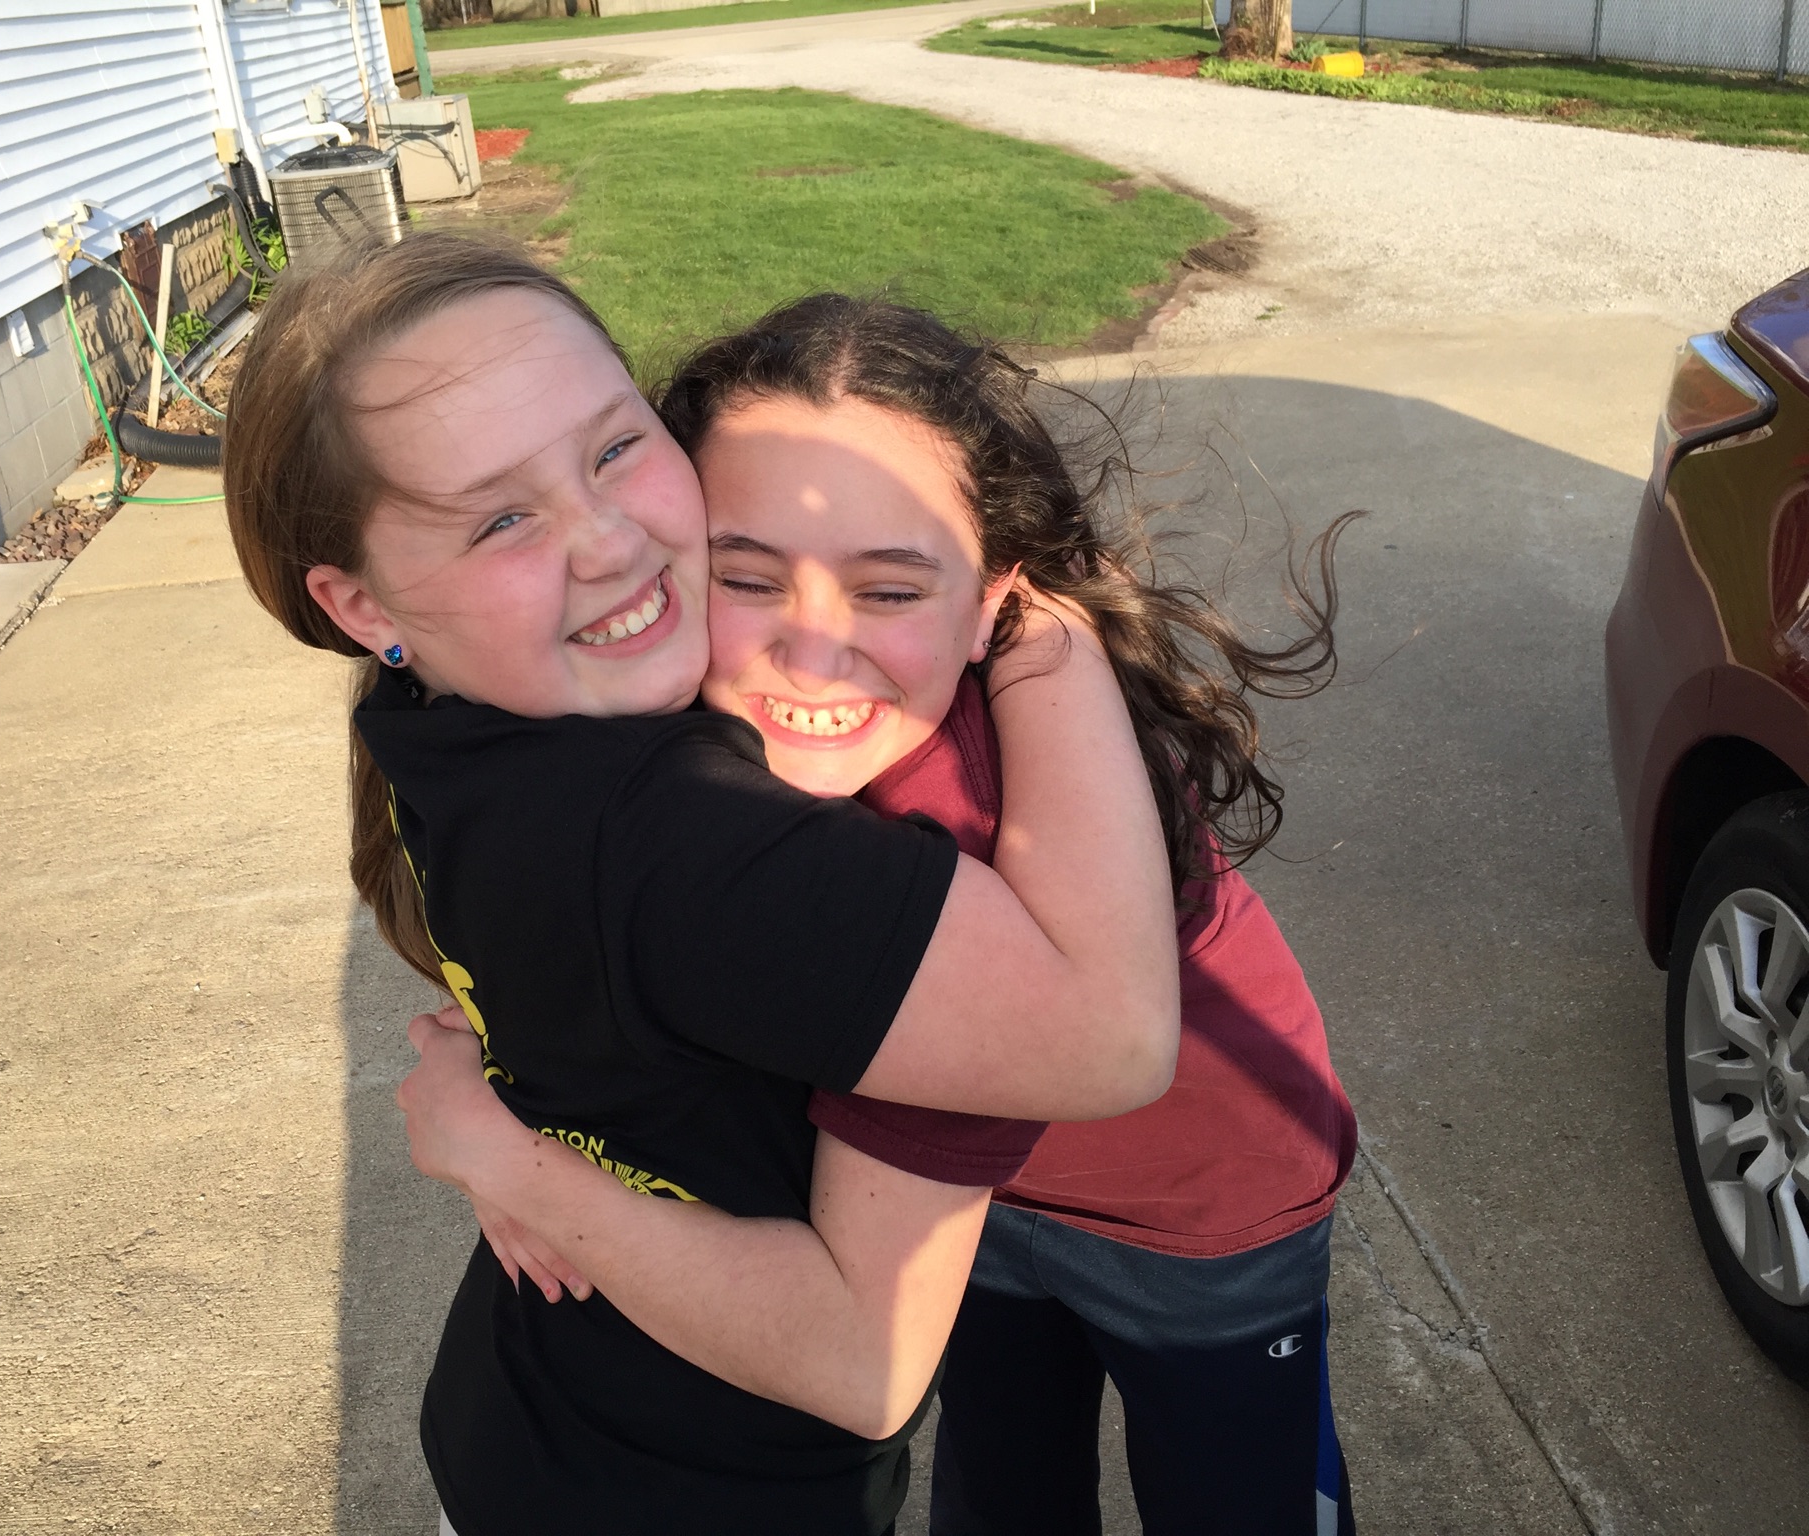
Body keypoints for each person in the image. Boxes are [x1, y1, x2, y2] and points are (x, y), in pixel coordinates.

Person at [221, 234, 1181, 1536]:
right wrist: (1040, 618)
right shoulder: (681, 841)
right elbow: (1112, 1037)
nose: (609, 541)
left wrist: (510, 1150)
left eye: (614, 447)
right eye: (499, 518)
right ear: (363, 605)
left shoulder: (444, 716)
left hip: (520, 1424)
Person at [407, 294, 1361, 1534]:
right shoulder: (675, 732)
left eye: (891, 591)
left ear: (988, 605)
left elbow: (861, 1357)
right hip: (966, 1209)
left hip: (1198, 1207)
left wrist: (510, 1163)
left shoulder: (945, 830)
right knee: (1000, 1489)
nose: (810, 657)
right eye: (745, 576)